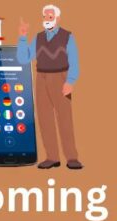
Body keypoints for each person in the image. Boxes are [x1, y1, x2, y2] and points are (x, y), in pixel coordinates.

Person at [17, 5, 82, 169]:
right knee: (45, 119)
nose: (46, 19)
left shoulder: (67, 36)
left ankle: (72, 157)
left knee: (64, 119)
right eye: (44, 16)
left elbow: (74, 61)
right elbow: (24, 59)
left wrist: (70, 81)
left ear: (58, 18)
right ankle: (52, 157)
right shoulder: (38, 37)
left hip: (61, 77)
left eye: (50, 16)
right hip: (41, 78)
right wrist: (23, 37)